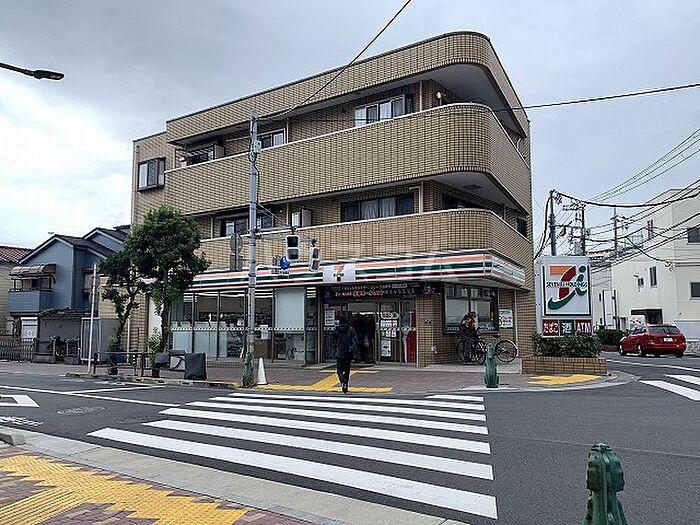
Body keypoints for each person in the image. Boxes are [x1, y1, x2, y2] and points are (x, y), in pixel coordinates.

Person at [333, 316, 358, 393]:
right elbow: (355, 339)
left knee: (339, 370)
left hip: (339, 352)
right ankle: (345, 386)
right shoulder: (351, 329)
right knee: (347, 370)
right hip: (348, 352)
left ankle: (342, 380)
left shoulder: (337, 329)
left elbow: (333, 339)